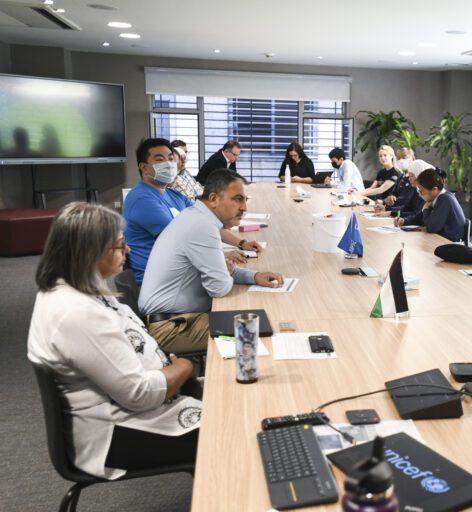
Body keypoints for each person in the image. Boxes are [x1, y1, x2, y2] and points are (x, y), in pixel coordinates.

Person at [28, 202, 200, 479]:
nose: (128, 251)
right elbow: (141, 395)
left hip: (126, 411)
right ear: (90, 253)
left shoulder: (74, 289)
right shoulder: (76, 313)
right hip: (114, 434)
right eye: (119, 246)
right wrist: (185, 368)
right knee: (232, 429)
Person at [139, 170, 284, 354]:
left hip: (178, 318)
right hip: (171, 327)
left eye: (245, 200)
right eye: (237, 199)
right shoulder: (202, 225)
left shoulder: (197, 217)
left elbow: (220, 270)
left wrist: (255, 276)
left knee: (258, 321)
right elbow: (219, 287)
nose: (244, 207)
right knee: (256, 331)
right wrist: (228, 273)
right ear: (214, 198)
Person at [124, 139, 259, 283]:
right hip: (158, 282)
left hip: (180, 272)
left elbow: (207, 221)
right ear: (144, 168)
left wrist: (242, 243)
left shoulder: (172, 194)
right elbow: (181, 242)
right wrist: (221, 254)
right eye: (160, 159)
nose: (169, 164)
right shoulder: (142, 200)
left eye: (170, 158)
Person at [394, 168, 466, 242]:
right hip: (441, 240)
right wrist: (404, 221)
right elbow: (419, 217)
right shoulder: (437, 198)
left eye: (421, 191)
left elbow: (431, 227)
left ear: (434, 190)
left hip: (451, 244)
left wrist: (426, 209)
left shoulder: (445, 199)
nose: (419, 194)